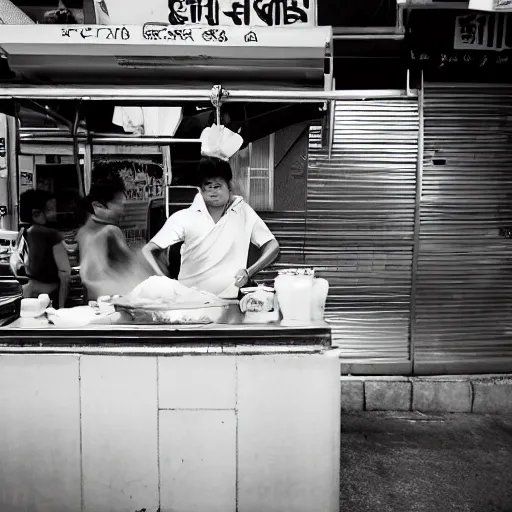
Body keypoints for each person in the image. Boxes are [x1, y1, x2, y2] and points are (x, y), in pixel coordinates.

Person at [142, 156, 280, 299]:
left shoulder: (244, 212)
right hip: (189, 303)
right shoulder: (184, 217)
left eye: (217, 186)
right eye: (208, 187)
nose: (213, 192)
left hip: (229, 303)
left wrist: (249, 272)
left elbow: (272, 246)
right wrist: (163, 281)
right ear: (200, 190)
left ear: (229, 186)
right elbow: (148, 250)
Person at [77, 165, 152, 301]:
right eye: (117, 203)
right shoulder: (110, 231)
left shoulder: (84, 231)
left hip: (94, 296)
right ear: (98, 206)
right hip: (112, 297)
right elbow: (129, 263)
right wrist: (143, 254)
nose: (121, 210)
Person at [19, 189, 70, 309]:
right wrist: (62, 307)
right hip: (49, 290)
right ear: (36, 214)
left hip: (29, 289)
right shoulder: (51, 235)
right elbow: (65, 273)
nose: (54, 213)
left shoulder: (27, 231)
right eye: (49, 210)